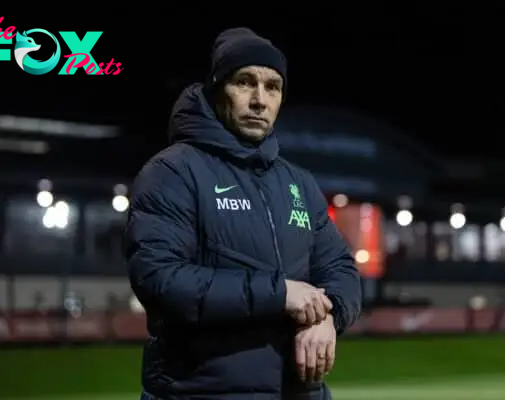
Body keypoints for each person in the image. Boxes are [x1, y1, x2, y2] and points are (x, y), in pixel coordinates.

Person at [125, 27, 362, 400]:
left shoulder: (297, 182)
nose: (259, 100)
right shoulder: (173, 172)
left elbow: (341, 269)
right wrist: (279, 293)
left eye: (273, 87)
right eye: (244, 82)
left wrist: (329, 316)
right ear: (218, 89)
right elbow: (161, 280)